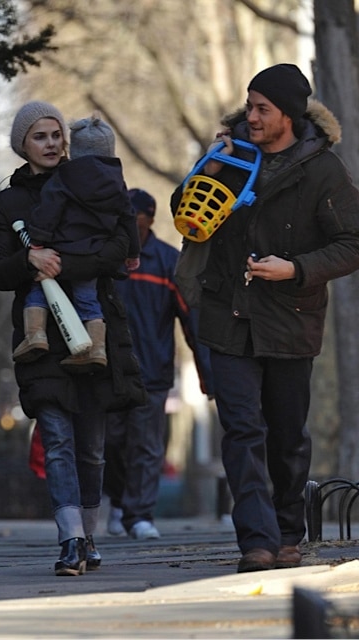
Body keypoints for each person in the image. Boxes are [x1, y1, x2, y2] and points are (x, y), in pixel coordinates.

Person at [170, 64, 359, 572]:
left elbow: (356, 243)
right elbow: (185, 212)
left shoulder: (324, 170)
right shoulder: (231, 151)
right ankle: (256, 542)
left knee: (286, 436)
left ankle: (287, 533)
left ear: (289, 114)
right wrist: (209, 170)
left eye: (263, 108)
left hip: (291, 319)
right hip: (227, 314)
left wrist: (297, 268)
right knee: (242, 430)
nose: (251, 116)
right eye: (250, 105)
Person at [0, 101, 148, 576]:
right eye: (41, 136)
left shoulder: (93, 181)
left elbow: (121, 248)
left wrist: (65, 263)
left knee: (92, 447)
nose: (52, 143)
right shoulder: (8, 201)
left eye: (57, 134)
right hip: (39, 335)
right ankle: (70, 540)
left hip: (96, 329)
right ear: (23, 144)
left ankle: (91, 533)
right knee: (56, 438)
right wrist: (30, 262)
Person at [103, 188, 214, 540]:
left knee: (147, 445)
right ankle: (119, 502)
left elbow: (191, 320)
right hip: (107, 370)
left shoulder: (168, 263)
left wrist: (205, 373)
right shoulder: (107, 259)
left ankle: (139, 515)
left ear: (150, 220)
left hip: (152, 371)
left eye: (136, 222)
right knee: (110, 443)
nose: (131, 229)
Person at [12, 111, 140, 371]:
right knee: (88, 300)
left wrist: (38, 241)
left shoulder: (64, 177)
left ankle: (35, 335)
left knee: (40, 291)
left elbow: (50, 211)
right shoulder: (118, 182)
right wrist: (133, 253)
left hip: (61, 251)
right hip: (95, 254)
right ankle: (97, 349)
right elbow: (128, 217)